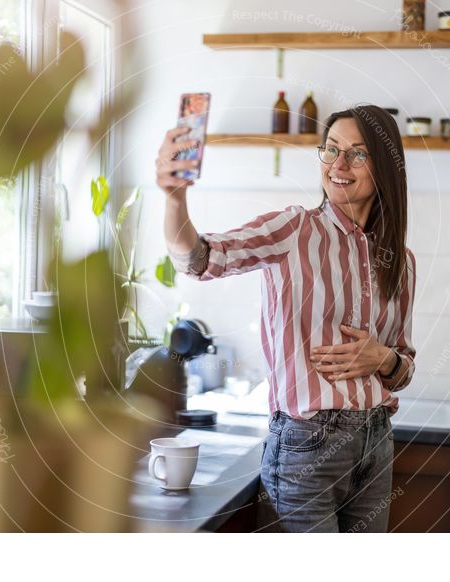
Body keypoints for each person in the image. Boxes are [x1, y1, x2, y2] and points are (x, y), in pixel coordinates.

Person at [155, 104, 416, 533]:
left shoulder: (400, 262)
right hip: (306, 444)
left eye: (358, 154)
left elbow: (404, 367)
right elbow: (200, 259)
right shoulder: (295, 229)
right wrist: (174, 198)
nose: (339, 165)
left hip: (376, 443)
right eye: (331, 151)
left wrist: (384, 360)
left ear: (385, 166)